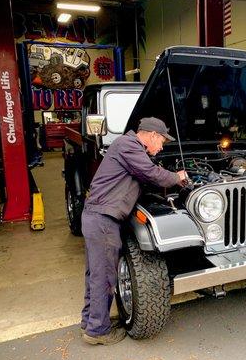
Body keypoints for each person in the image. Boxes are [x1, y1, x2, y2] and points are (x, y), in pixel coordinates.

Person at [80, 117, 187, 345]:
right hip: (103, 219)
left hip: (96, 217)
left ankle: (89, 321)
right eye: (161, 143)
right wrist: (177, 177)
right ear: (153, 135)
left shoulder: (127, 147)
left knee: (95, 273)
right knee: (105, 277)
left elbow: (146, 175)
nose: (160, 149)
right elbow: (151, 174)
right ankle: (97, 331)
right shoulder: (128, 145)